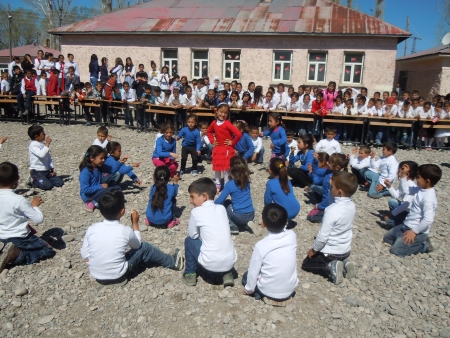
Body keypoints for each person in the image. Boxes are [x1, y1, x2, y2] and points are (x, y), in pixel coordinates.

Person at [81, 190, 184, 286]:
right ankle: (173, 262)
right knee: (146, 247)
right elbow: (137, 245)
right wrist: (135, 223)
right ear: (122, 211)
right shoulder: (124, 230)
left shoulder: (92, 229)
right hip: (118, 276)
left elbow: (85, 254)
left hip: (98, 276)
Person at [302, 171, 358, 285]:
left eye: (331, 187)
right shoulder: (352, 206)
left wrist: (314, 250)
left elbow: (323, 237)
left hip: (332, 252)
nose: (329, 188)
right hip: (345, 250)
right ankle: (344, 262)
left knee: (307, 264)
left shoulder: (331, 211)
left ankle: (330, 267)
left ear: (339, 192)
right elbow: (334, 199)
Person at [0, 162, 56, 273]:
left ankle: (4, 251)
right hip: (20, 237)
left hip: (2, 236)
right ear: (17, 179)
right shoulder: (18, 200)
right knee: (48, 250)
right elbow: (38, 219)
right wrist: (34, 206)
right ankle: (18, 255)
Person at [183, 178, 237, 287]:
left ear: (204, 196)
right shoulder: (221, 208)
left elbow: (193, 235)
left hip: (210, 262)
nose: (191, 201)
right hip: (230, 260)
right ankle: (227, 273)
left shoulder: (196, 212)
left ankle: (190, 274)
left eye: (192, 197)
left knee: (189, 241)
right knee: (221, 242)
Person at [242, 203, 298, 306]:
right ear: (286, 221)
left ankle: (258, 293)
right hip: (289, 291)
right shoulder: (292, 236)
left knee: (247, 275)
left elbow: (254, 272)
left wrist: (249, 290)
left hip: (268, 291)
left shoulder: (261, 245)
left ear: (263, 224)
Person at [383, 164, 441, 256]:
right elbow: (406, 190)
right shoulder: (420, 189)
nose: (416, 179)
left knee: (396, 251)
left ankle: (424, 245)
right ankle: (403, 240)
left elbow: (428, 219)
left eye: (418, 177)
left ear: (427, 181)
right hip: (405, 225)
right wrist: (403, 174)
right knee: (387, 238)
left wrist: (414, 231)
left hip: (416, 231)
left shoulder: (429, 198)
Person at [215, 156, 256, 235]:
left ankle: (233, 226)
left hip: (239, 216)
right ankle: (246, 225)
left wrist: (211, 205)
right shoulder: (247, 182)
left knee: (226, 203)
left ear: (231, 168)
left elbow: (220, 201)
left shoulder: (230, 184)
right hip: (251, 214)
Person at [207, 103, 242, 194]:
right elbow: (209, 131)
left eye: (225, 113)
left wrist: (232, 142)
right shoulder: (214, 123)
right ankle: (217, 184)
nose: (223, 114)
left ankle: (226, 185)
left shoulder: (227, 123)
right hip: (218, 149)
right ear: (217, 111)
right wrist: (212, 141)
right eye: (221, 112)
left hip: (226, 149)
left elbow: (238, 134)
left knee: (226, 169)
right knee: (217, 168)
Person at [307, 153, 349, 223]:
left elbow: (329, 197)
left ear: (337, 167)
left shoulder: (335, 179)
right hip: (326, 197)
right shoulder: (328, 171)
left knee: (311, 217)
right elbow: (317, 171)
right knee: (314, 188)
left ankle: (331, 217)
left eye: (329, 162)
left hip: (331, 203)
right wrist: (315, 161)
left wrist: (320, 206)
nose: (327, 162)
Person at [79, 145, 121, 212]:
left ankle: (104, 201)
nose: (103, 160)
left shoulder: (98, 166)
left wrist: (120, 162)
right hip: (89, 195)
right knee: (113, 191)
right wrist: (100, 186)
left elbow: (112, 171)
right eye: (101, 158)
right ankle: (91, 203)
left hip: (98, 190)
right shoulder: (85, 172)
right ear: (92, 158)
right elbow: (85, 190)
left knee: (117, 187)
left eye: (104, 158)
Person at [27, 125, 64, 190]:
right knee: (48, 186)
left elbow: (48, 157)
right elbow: (41, 155)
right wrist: (47, 144)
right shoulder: (33, 145)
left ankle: (44, 179)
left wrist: (51, 168)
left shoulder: (42, 144)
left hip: (46, 170)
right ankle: (33, 181)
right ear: (37, 137)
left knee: (60, 183)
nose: (45, 135)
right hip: (37, 171)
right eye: (43, 134)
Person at [264, 158, 300, 225]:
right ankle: (288, 219)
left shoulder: (270, 183)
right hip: (296, 208)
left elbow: (267, 202)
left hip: (285, 214)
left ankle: (284, 221)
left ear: (271, 171)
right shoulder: (287, 181)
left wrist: (266, 214)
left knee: (271, 210)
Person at [383, 161, 418, 228]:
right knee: (392, 201)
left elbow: (405, 205)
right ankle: (397, 217)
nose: (397, 173)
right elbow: (396, 196)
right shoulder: (403, 183)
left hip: (408, 212)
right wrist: (390, 187)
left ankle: (401, 221)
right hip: (404, 208)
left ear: (406, 174)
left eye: (399, 171)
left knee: (389, 222)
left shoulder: (411, 185)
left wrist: (391, 213)